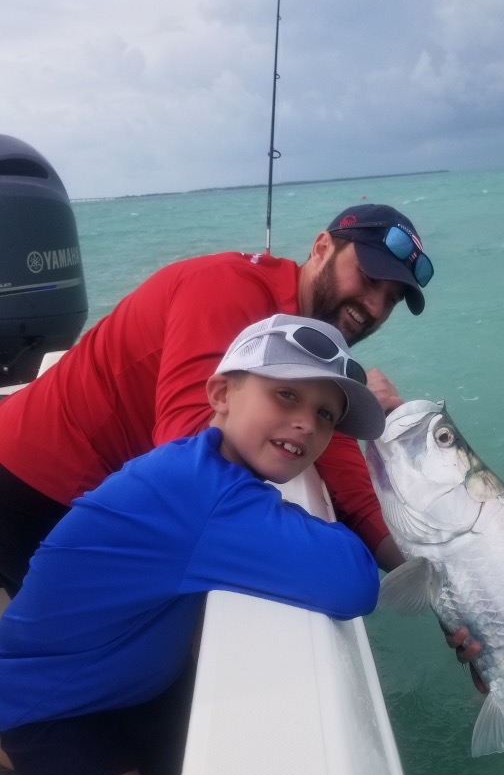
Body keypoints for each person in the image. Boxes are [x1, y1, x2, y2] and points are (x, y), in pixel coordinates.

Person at [0, 314, 385, 775]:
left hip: (129, 679)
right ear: (220, 395)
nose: (306, 422)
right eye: (286, 394)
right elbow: (356, 581)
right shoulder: (201, 497)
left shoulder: (204, 464)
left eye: (326, 415)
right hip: (46, 694)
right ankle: (17, 764)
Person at [0, 203, 431, 598]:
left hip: (107, 494)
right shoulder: (226, 290)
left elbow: (343, 472)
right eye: (369, 278)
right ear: (321, 248)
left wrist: (438, 585)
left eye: (391, 299)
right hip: (35, 483)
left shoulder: (307, 345)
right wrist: (318, 545)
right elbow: (190, 453)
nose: (374, 306)